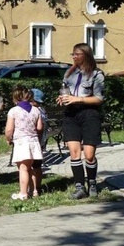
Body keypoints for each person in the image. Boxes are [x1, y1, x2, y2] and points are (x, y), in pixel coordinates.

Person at [58, 43, 105, 199]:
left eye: (77, 54)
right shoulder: (69, 73)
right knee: (74, 152)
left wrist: (78, 99)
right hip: (71, 115)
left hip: (89, 114)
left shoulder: (96, 74)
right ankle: (80, 187)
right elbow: (65, 90)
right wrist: (62, 98)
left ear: (86, 55)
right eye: (73, 54)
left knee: (89, 155)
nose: (74, 57)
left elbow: (98, 99)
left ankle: (92, 182)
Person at [5, 86, 43, 201]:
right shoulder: (36, 110)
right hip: (33, 142)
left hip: (21, 143)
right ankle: (33, 190)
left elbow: (9, 129)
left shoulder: (13, 111)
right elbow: (40, 127)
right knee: (29, 167)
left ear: (15, 97)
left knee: (22, 168)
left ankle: (23, 193)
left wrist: (8, 138)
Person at [30, 88, 48, 196]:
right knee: (37, 166)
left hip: (36, 142)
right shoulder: (42, 110)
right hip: (40, 143)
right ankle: (38, 186)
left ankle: (34, 187)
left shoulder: (36, 112)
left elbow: (39, 129)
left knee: (33, 166)